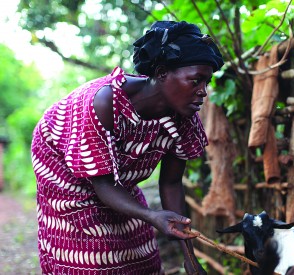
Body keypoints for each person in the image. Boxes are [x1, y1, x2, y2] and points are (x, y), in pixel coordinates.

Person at [31, 20, 224, 274]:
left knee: (140, 255)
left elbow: (171, 183)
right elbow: (102, 184)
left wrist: (190, 258)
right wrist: (152, 216)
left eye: (206, 83)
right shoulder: (102, 103)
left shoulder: (184, 117)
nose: (203, 92)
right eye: (196, 81)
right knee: (90, 257)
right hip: (64, 172)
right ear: (162, 73)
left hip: (116, 180)